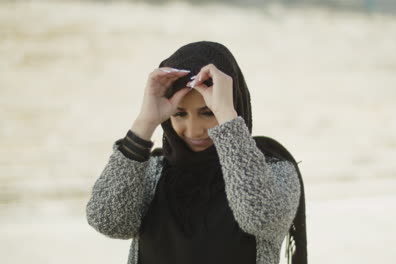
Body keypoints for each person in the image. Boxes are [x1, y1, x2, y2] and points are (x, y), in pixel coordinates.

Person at [86, 41, 307, 264]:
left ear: (234, 106)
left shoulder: (274, 170)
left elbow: (261, 217)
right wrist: (145, 121)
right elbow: (108, 222)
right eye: (180, 114)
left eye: (208, 113)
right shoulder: (152, 170)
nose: (194, 130)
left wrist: (227, 119)